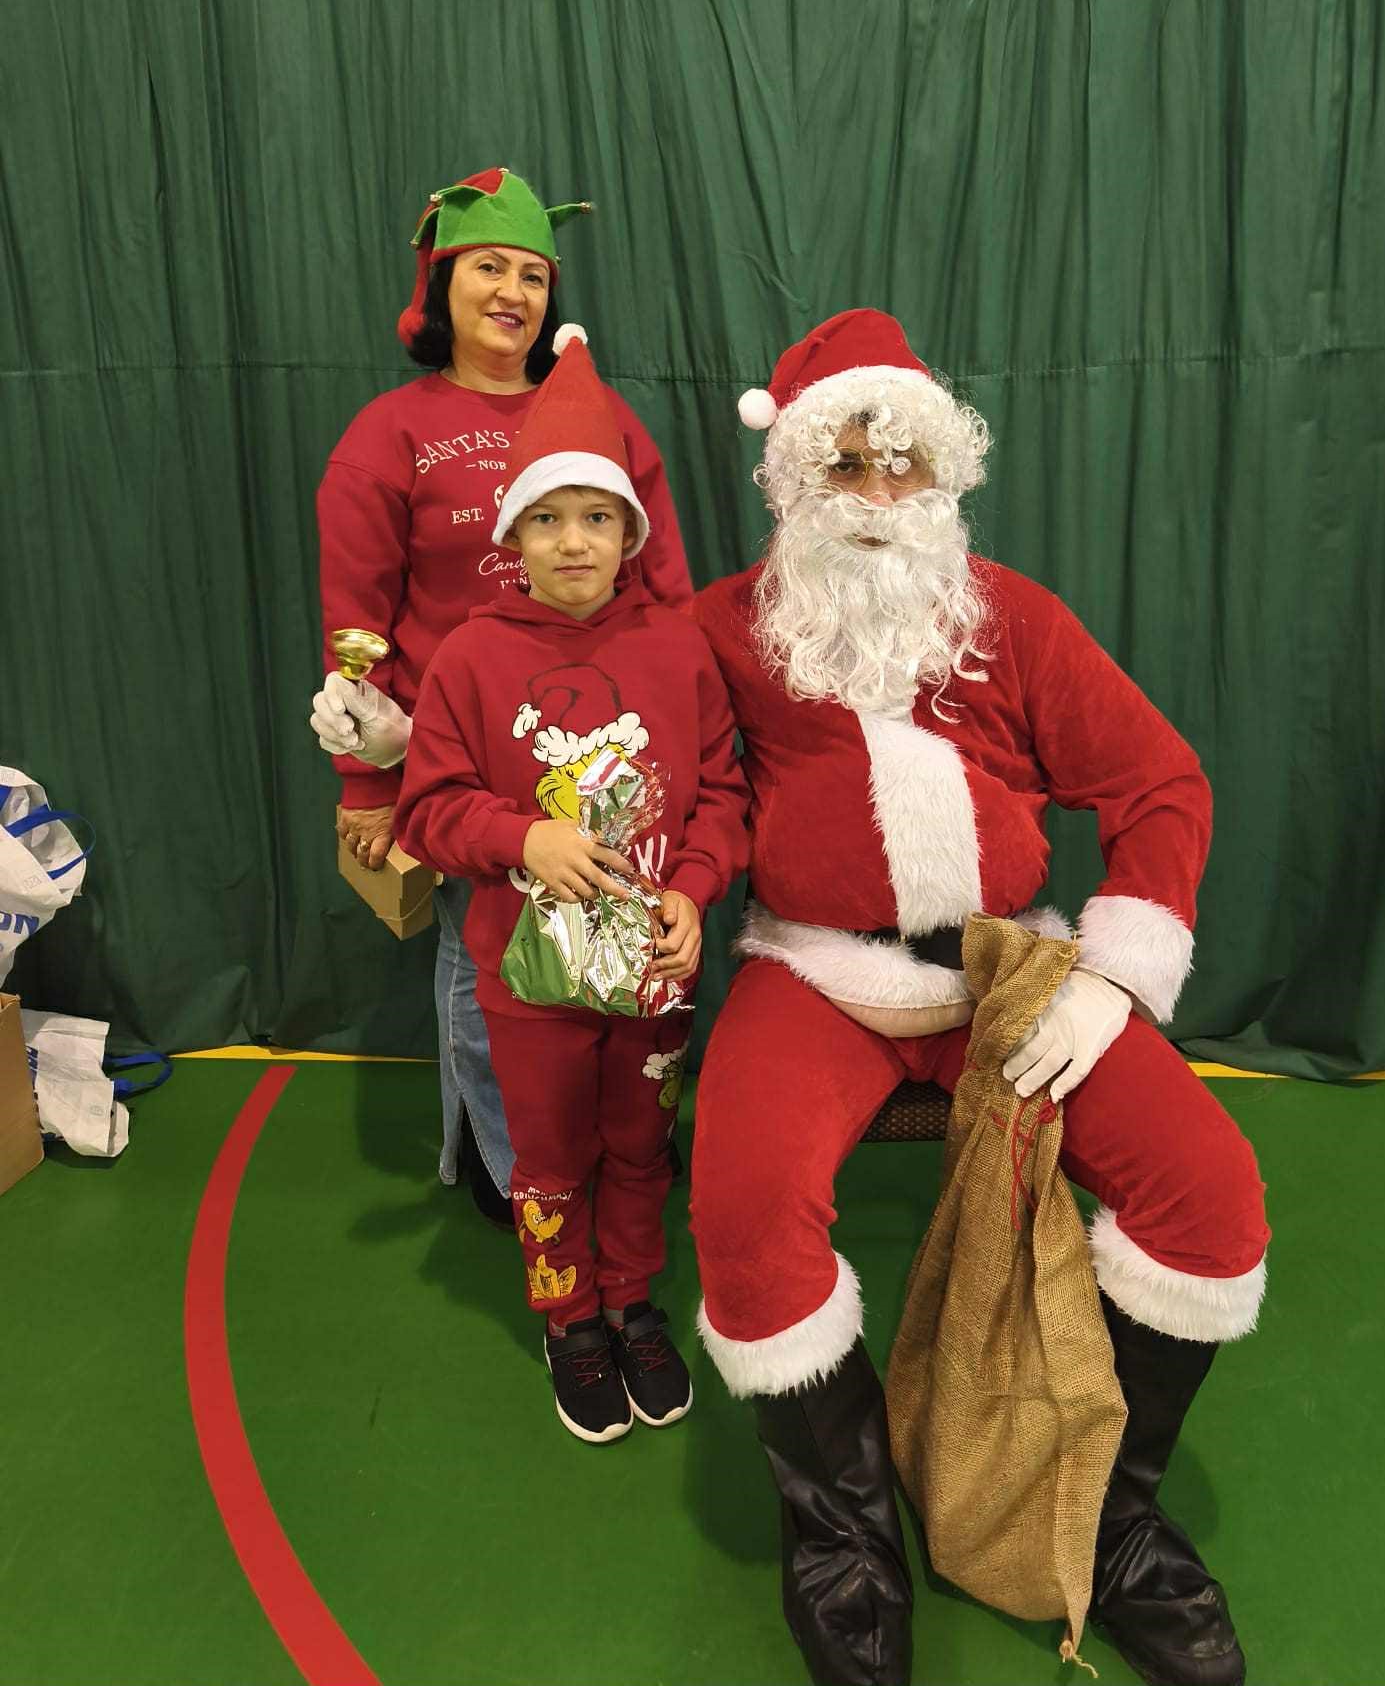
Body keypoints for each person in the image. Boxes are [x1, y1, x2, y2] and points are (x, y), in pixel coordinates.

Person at [688, 309, 1269, 1686]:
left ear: (942, 474)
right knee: (746, 1213)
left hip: (1007, 973)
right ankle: (842, 1540)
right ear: (794, 482)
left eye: (901, 464)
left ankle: (1103, 1515)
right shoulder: (720, 628)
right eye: (845, 466)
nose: (876, 496)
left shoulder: (1014, 618)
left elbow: (1158, 783)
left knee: (1209, 1200)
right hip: (814, 973)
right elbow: (667, 780)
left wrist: (1115, 974)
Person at [308, 168, 692, 1223]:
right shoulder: (389, 435)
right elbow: (355, 618)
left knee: (620, 937)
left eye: (532, 273)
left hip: (608, 750)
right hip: (468, 759)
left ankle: (625, 1140)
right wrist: (366, 778)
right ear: (441, 283)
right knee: (484, 965)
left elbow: (664, 583)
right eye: (488, 267)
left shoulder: (601, 418)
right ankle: (508, 1157)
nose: (512, 292)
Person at [394, 329, 748, 1441]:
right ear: (512, 536)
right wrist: (521, 838)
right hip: (528, 984)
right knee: (548, 1159)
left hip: (654, 974)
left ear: (631, 532)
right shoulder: (469, 658)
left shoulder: (681, 650)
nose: (574, 541)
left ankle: (633, 1301)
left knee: (640, 1144)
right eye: (547, 519)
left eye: (597, 517)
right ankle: (571, 1319)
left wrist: (696, 887)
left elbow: (725, 794)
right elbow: (425, 810)